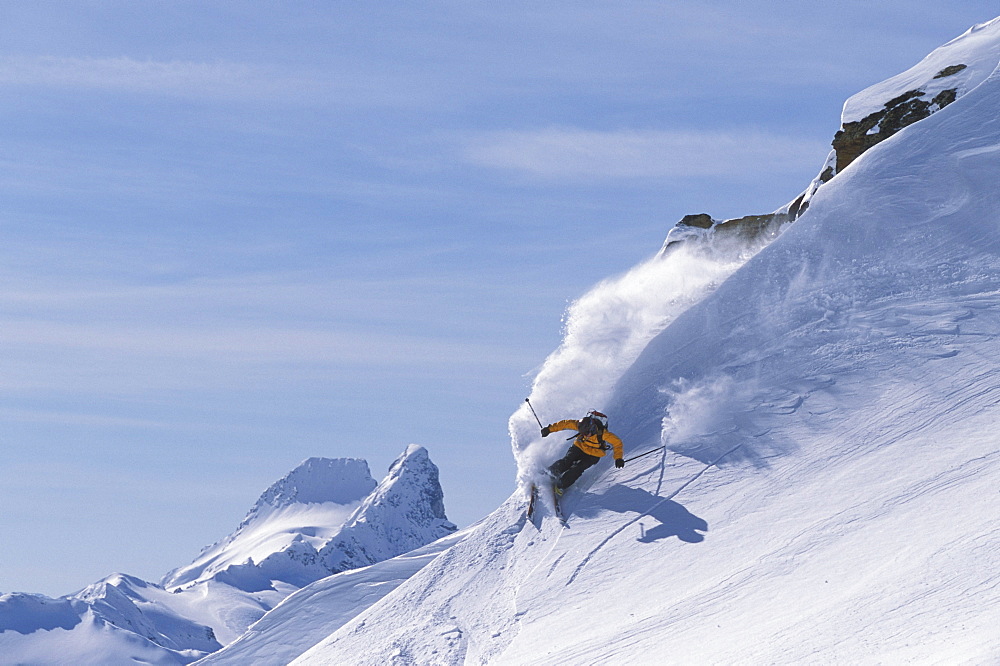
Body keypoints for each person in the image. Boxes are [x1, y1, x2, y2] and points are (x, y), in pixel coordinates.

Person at [541, 410, 624, 493]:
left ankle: (561, 485)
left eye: (586, 433)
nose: (585, 435)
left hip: (594, 454)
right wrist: (549, 429)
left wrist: (618, 458)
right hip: (579, 446)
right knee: (567, 461)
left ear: (592, 429)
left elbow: (617, 443)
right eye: (582, 433)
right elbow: (565, 424)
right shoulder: (580, 425)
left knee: (577, 469)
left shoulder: (603, 434)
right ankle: (549, 474)